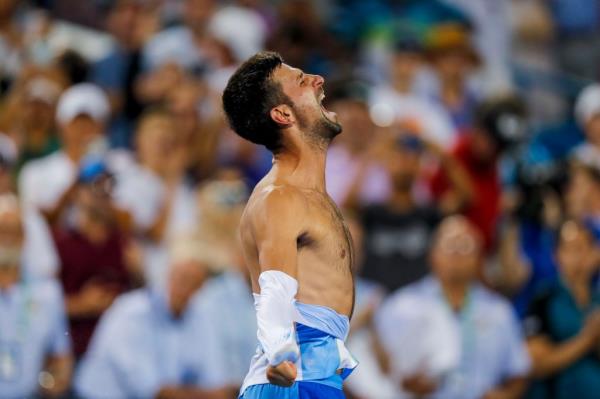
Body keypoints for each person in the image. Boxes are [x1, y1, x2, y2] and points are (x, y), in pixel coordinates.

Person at [222, 51, 358, 398]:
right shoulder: (279, 197)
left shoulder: (309, 196)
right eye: (302, 80)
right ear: (283, 114)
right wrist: (281, 353)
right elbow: (275, 289)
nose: (319, 79)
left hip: (316, 377)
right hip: (292, 382)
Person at [376, 216, 530, 399]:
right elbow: (377, 362)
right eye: (449, 244)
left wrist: (505, 395)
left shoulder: (499, 312)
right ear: (432, 255)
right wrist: (401, 379)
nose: (457, 253)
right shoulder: (401, 306)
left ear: (479, 257)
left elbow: (519, 371)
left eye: (465, 245)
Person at [75, 235, 232, 399]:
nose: (187, 287)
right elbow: (153, 392)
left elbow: (215, 381)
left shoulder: (199, 317)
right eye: (183, 277)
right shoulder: (132, 312)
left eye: (195, 282)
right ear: (169, 273)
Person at [360, 131, 473, 293]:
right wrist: (370, 156)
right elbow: (346, 207)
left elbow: (465, 195)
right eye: (398, 158)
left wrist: (439, 154)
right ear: (386, 164)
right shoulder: (371, 213)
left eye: (412, 159)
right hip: (374, 300)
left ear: (420, 167)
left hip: (419, 304)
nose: (405, 164)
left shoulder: (428, 214)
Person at [52, 158, 136, 359]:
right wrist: (81, 304)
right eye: (94, 185)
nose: (102, 193)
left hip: (118, 353)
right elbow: (37, 305)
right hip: (75, 351)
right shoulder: (60, 243)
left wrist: (139, 273)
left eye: (108, 186)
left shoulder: (124, 244)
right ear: (76, 193)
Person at [0, 193, 73, 398]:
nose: (7, 239)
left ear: (24, 239)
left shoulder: (48, 292)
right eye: (1, 231)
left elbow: (62, 355)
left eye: (14, 232)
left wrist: (57, 379)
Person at [524, 220, 600, 399]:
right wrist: (588, 338)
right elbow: (536, 364)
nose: (579, 256)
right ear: (557, 255)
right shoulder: (543, 299)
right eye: (572, 249)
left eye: (585, 247)